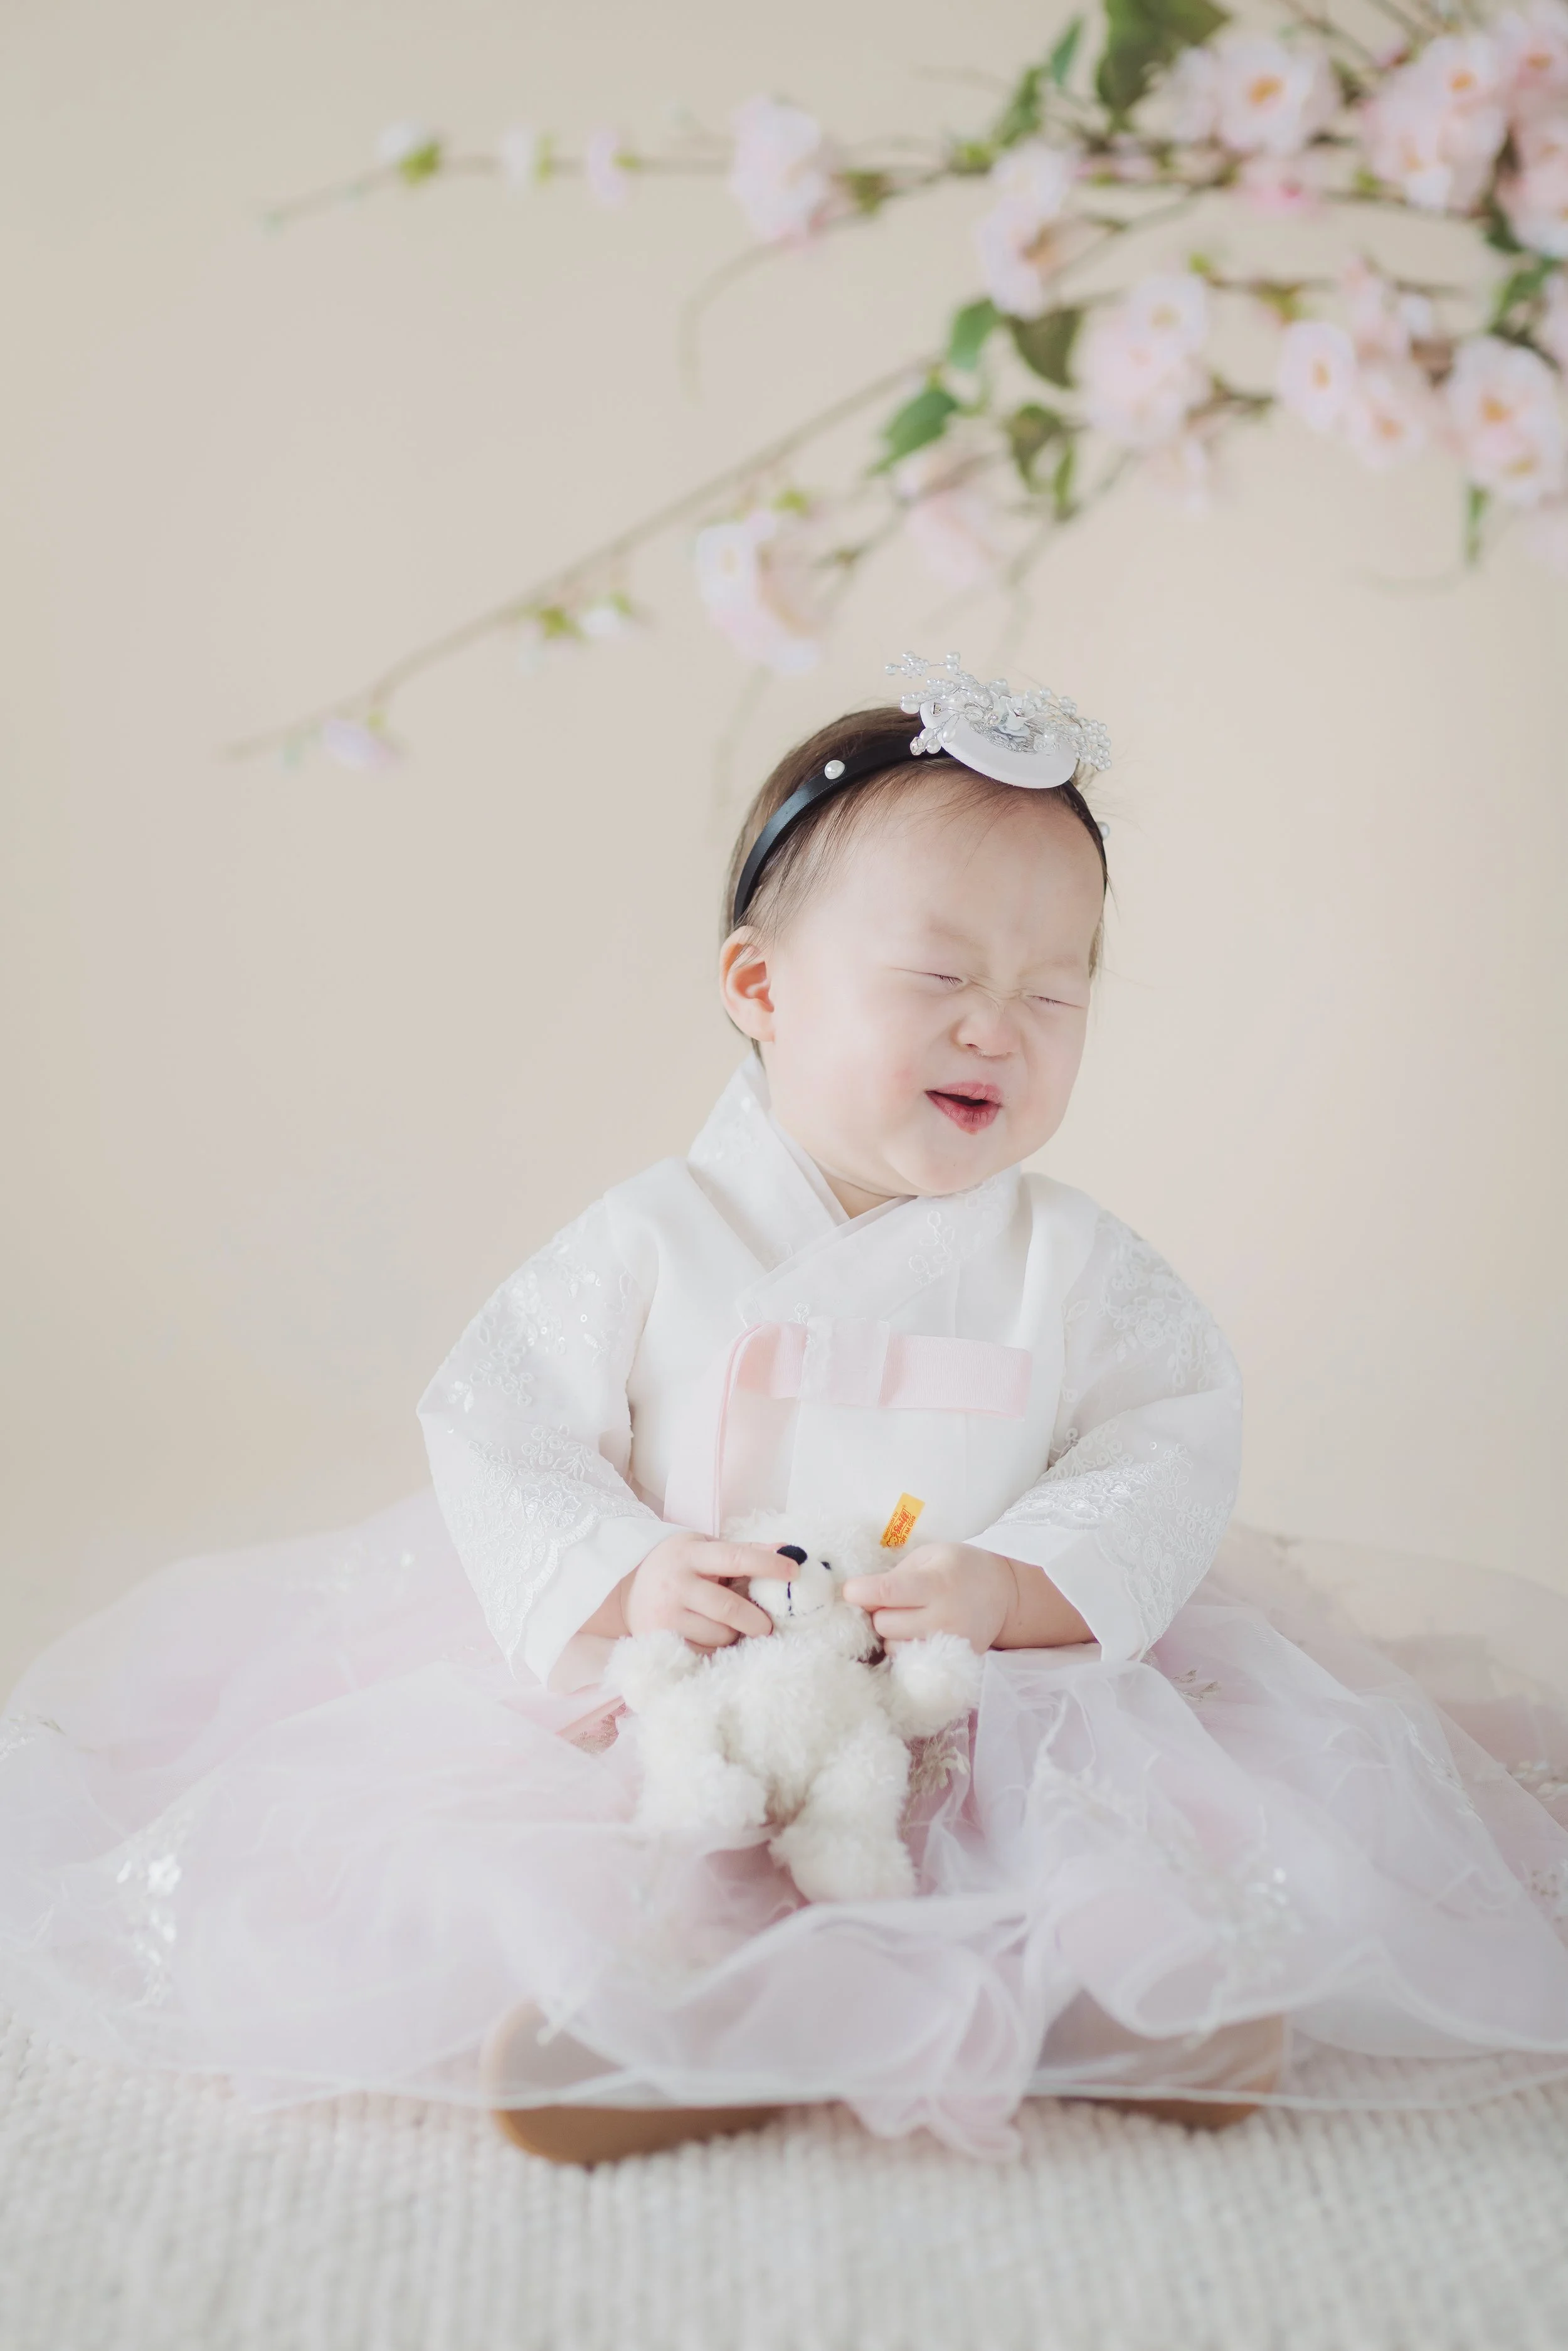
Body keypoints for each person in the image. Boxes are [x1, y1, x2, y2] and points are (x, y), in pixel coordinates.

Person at [3, 654, 1565, 2165]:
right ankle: (664, 2019)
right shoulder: (650, 1234)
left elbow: (1163, 1440)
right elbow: (499, 1420)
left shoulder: (1074, 1264)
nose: (996, 1026)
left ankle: (1110, 2000)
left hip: (972, 1686)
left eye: (1053, 991)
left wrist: (1017, 1583)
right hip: (701, 1676)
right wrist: (627, 1570)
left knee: (1063, 1828)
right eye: (940, 977)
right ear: (761, 986)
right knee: (657, 1835)